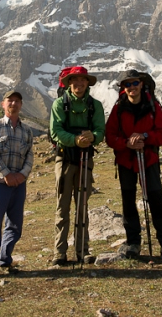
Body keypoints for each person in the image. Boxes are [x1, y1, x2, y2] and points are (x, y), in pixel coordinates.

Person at [105, 69, 162, 260]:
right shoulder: (118, 108)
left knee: (156, 200)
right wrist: (126, 143)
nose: (132, 87)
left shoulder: (153, 106)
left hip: (149, 160)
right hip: (126, 161)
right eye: (127, 84)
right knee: (128, 202)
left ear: (141, 84)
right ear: (123, 87)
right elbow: (110, 136)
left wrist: (145, 137)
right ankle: (133, 244)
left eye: (135, 83)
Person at [49, 66, 105, 265]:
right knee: (62, 206)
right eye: (75, 80)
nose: (79, 84)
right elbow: (55, 132)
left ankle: (83, 251)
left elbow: (100, 130)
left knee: (82, 204)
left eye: (83, 80)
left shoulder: (95, 106)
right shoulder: (59, 104)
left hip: (85, 160)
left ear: (87, 83)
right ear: (69, 83)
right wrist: (75, 140)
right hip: (64, 159)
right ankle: (59, 253)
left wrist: (94, 137)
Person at [0, 90, 34, 280]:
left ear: (21, 105)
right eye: (10, 101)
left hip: (19, 183)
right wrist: (7, 175)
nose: (14, 104)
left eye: (17, 101)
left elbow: (30, 156)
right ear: (3, 104)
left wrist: (21, 175)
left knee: (15, 224)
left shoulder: (26, 131)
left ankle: (5, 259)